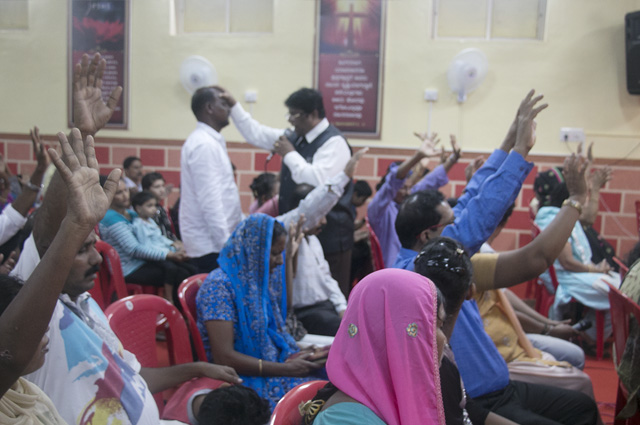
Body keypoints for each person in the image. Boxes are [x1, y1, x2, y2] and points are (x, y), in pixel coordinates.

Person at [16, 53, 242, 425]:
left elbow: (135, 377)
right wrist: (84, 132)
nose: (98, 259)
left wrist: (197, 367)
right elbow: (45, 235)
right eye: (82, 250)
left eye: (93, 246)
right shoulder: (41, 308)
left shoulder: (88, 307)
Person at [0, 125, 119, 425]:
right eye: (82, 249)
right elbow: (46, 237)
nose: (43, 332)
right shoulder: (38, 297)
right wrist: (76, 224)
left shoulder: (29, 396)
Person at [414, 237, 599, 425]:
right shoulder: (440, 360)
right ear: (472, 292)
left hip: (503, 390)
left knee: (583, 406)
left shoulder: (441, 349)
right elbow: (466, 411)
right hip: (487, 401)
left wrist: (547, 326)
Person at [222, 87, 354, 296]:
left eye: (295, 114)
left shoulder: (334, 143)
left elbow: (320, 183)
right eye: (289, 114)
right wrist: (234, 106)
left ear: (312, 114)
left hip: (329, 237)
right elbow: (257, 133)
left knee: (329, 296)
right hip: (297, 233)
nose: (290, 120)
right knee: (296, 296)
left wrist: (290, 155)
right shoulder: (296, 137)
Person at [394, 90, 546, 270]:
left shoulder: (426, 252)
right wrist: (520, 150)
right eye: (452, 224)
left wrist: (509, 141)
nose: (458, 221)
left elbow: (469, 200)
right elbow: (478, 218)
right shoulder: (419, 268)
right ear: (426, 236)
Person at [196, 214, 323, 409]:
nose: (279, 261)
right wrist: (285, 369)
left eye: (281, 253)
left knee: (331, 372)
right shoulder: (219, 287)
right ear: (252, 251)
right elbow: (224, 357)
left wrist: (296, 355)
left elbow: (280, 318)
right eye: (274, 254)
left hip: (269, 365)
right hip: (242, 377)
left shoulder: (256, 280)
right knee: (320, 399)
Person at [301, 268, 447, 425]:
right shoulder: (345, 421)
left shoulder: (386, 400)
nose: (444, 339)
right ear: (395, 339)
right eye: (437, 326)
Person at [534, 170, 620, 340]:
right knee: (617, 293)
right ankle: (588, 336)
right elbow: (567, 262)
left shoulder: (562, 213)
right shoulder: (556, 217)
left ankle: (587, 330)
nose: (587, 200)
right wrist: (594, 269)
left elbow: (588, 218)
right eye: (584, 196)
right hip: (567, 276)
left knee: (619, 284)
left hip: (573, 274)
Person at [367, 132, 457, 267]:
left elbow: (429, 182)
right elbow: (392, 183)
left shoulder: (406, 205)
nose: (407, 192)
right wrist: (418, 156)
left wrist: (453, 160)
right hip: (392, 272)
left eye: (409, 188)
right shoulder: (380, 211)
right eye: (402, 188)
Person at [180, 86, 243, 274]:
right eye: (223, 104)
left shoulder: (211, 141)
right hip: (211, 245)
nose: (228, 109)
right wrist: (226, 244)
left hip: (216, 242)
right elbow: (210, 200)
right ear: (209, 108)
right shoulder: (203, 145)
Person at [100, 179, 190, 303]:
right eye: (118, 193)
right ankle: (174, 311)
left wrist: (173, 245)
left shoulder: (131, 213)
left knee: (187, 268)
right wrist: (168, 255)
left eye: (125, 190)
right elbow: (134, 249)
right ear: (108, 196)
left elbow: (154, 237)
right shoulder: (111, 219)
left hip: (143, 261)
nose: (125, 195)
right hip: (129, 268)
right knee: (178, 274)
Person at [130, 191, 196, 303]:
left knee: (190, 268)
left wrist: (172, 244)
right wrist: (168, 253)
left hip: (165, 251)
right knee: (172, 268)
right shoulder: (139, 225)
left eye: (155, 205)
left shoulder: (150, 221)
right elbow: (147, 246)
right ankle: (168, 296)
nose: (154, 209)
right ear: (138, 208)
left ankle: (189, 297)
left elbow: (160, 237)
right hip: (156, 256)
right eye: (149, 206)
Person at [141, 171, 177, 240]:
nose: (162, 190)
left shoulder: (160, 208)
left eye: (163, 186)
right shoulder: (146, 210)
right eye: (157, 187)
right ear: (146, 190)